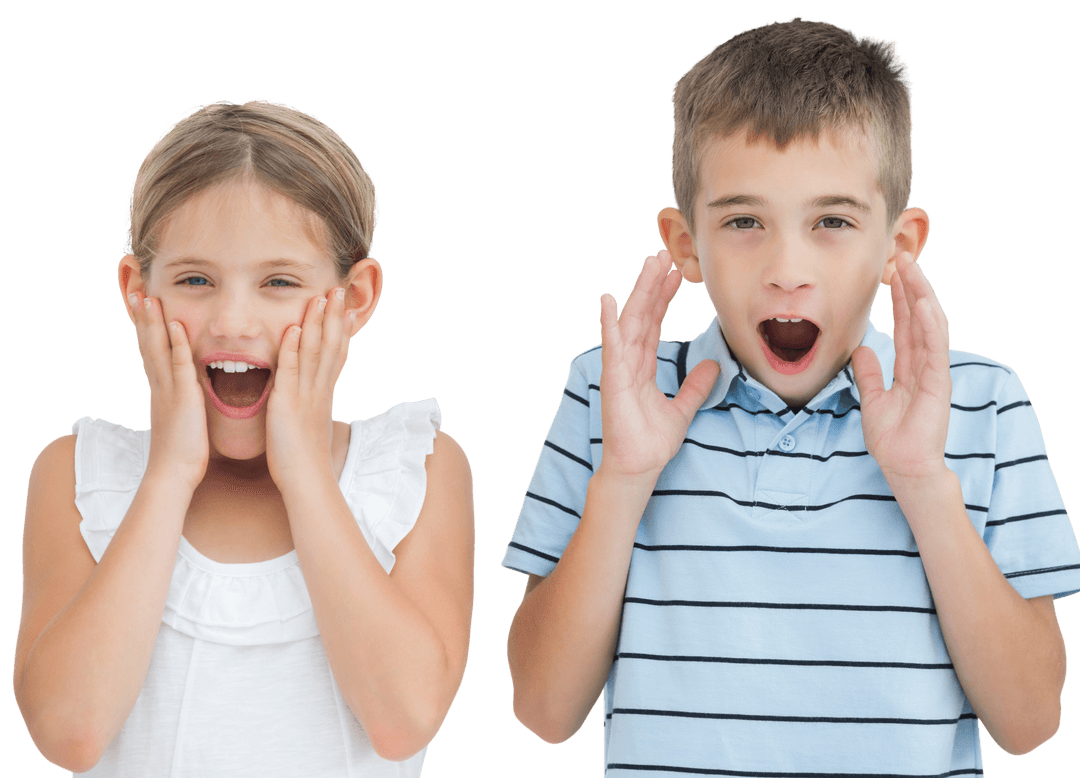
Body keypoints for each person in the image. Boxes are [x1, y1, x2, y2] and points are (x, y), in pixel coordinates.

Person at [503, 16, 1078, 776]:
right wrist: (624, 478)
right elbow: (545, 709)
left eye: (833, 221)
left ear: (897, 245)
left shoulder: (983, 403)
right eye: (744, 221)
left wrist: (923, 486)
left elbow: (1031, 720)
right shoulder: (613, 393)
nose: (787, 268)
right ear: (685, 245)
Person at [13, 99, 475, 776]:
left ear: (355, 299)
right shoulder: (80, 476)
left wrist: (305, 473)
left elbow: (401, 720)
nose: (232, 320)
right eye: (195, 280)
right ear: (137, 293)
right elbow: (69, 732)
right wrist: (169, 471)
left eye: (278, 282)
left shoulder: (412, 470)